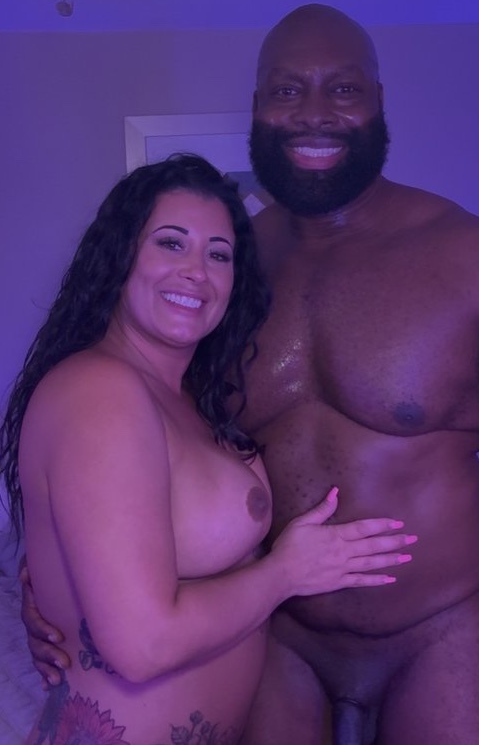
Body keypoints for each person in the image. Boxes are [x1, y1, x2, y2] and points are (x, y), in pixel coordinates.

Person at [16, 3, 479, 744]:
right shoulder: (226, 275)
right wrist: (53, 580)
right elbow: (134, 453)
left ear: (378, 101)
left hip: (439, 628)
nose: (314, 112)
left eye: (344, 88)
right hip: (276, 637)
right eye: (287, 89)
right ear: (259, 106)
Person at [0, 151, 418, 745]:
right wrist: (288, 572)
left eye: (218, 255)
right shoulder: (101, 392)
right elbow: (143, 645)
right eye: (171, 243)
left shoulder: (187, 399)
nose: (196, 271)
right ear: (120, 256)